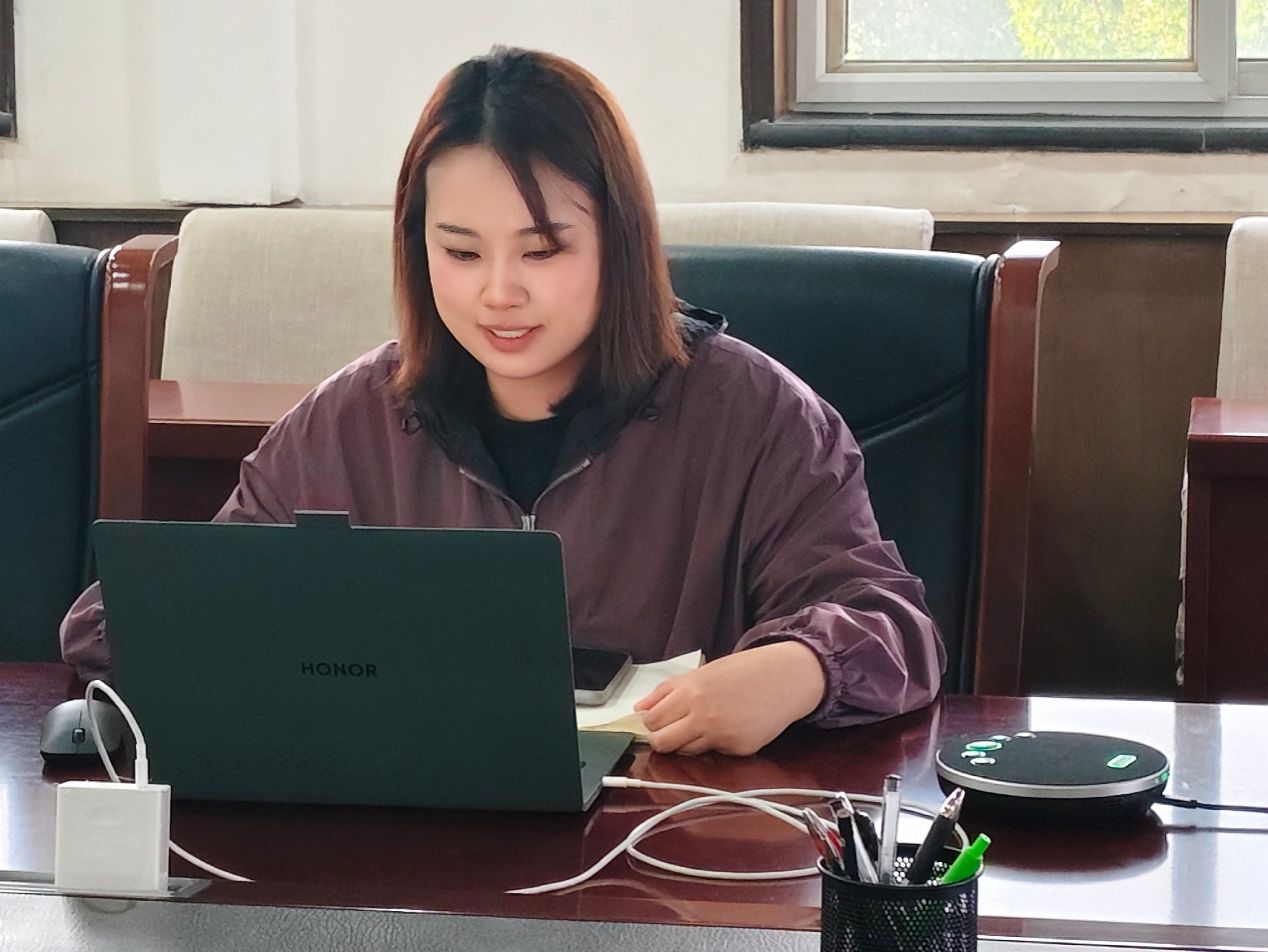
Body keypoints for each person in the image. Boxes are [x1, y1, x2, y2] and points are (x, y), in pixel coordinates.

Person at [61, 46, 945, 756]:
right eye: (460, 252)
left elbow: (894, 623)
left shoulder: (756, 416)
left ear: (620, 242)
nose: (498, 294)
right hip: (408, 850)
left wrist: (798, 670)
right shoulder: (352, 420)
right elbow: (117, 623)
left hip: (662, 851)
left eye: (543, 250)